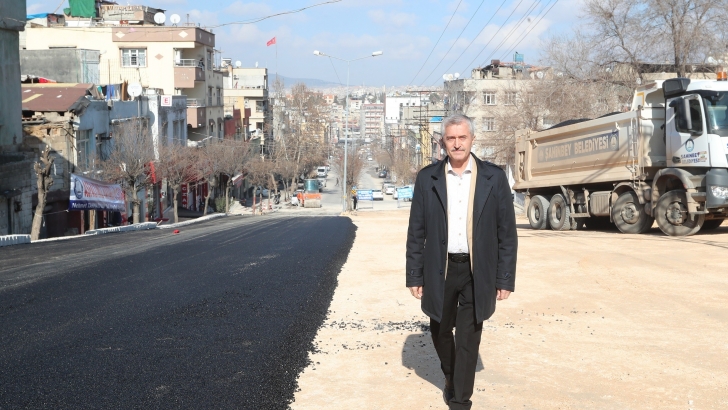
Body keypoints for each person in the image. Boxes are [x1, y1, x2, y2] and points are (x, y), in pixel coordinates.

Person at [405, 114, 517, 409]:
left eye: (462, 137)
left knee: (469, 337)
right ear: (443, 142)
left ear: (472, 139)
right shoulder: (427, 178)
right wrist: (415, 275)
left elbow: (507, 232)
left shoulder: (493, 178)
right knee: (439, 328)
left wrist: (504, 278)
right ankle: (451, 375)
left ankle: (460, 400)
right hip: (439, 269)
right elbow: (416, 231)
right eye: (451, 138)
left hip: (476, 271)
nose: (457, 144)